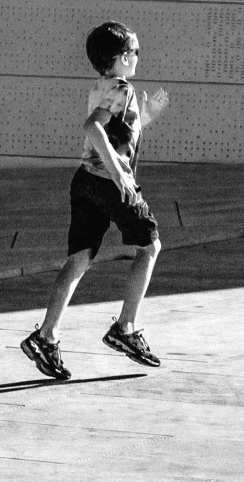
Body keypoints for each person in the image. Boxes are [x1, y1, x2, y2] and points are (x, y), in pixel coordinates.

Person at [21, 21, 169, 380]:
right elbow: (93, 127)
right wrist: (119, 173)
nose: (138, 57)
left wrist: (145, 116)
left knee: (79, 258)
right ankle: (126, 328)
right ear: (121, 58)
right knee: (150, 248)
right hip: (108, 184)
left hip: (84, 182)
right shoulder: (123, 87)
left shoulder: (102, 86)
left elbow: (117, 130)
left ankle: (46, 336)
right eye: (135, 52)